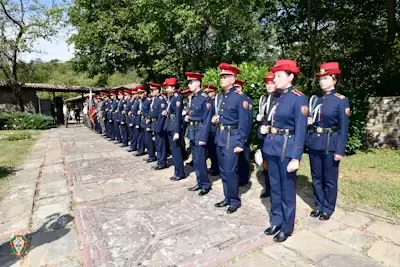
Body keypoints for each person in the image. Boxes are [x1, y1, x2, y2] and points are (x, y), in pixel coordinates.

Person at [260, 59, 308, 242]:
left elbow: (301, 130)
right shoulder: (274, 97)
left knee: (287, 190)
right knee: (275, 188)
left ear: (291, 77)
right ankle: (276, 221)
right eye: (275, 75)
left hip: (287, 150)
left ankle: (287, 227)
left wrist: (296, 158)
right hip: (271, 147)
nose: (275, 79)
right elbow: (268, 120)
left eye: (279, 76)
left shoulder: (299, 98)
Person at [306, 62, 350, 221]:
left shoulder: (341, 100)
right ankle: (318, 205)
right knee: (316, 177)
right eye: (320, 79)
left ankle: (328, 207)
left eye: (325, 78)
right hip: (315, 143)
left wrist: (340, 150)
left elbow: (344, 128)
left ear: (334, 80)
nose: (322, 81)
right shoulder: (315, 99)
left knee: (330, 179)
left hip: (331, 143)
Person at [212, 63, 249, 214]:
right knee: (223, 171)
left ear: (233, 79)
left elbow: (244, 122)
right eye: (221, 76)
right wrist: (217, 119)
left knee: (230, 171)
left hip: (232, 139)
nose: (222, 79)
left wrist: (240, 142)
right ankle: (227, 197)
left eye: (225, 76)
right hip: (221, 137)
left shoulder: (240, 98)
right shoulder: (222, 97)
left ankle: (234, 200)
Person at [184, 72, 212, 196]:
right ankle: (199, 182)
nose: (189, 85)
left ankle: (205, 184)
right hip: (192, 130)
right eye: (188, 82)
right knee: (195, 159)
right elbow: (193, 113)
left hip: (200, 131)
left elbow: (207, 119)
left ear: (198, 82)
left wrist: (203, 137)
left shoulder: (205, 98)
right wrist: (188, 117)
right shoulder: (193, 97)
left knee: (201, 159)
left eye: (191, 82)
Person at [256, 72, 277, 198]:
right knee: (266, 164)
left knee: (273, 165)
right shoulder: (264, 98)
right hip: (263, 135)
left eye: (272, 83)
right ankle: (268, 188)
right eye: (267, 83)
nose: (269, 86)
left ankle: (274, 189)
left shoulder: (278, 99)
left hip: (273, 135)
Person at [163, 77, 186, 181]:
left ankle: (180, 173)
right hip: (170, 125)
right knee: (173, 151)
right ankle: (177, 171)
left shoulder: (177, 98)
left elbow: (177, 115)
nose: (166, 89)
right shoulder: (171, 97)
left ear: (172, 87)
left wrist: (177, 131)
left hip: (174, 126)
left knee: (176, 152)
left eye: (167, 87)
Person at [234, 79, 253, 187]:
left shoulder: (246, 100)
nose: (236, 89)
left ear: (241, 88)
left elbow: (248, 119)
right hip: (235, 133)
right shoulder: (235, 99)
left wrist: (245, 135)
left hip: (243, 133)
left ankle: (243, 178)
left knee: (244, 157)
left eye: (237, 87)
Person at [148, 82, 168, 170]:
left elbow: (161, 115)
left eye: (152, 90)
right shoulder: (155, 99)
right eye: (150, 90)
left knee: (161, 144)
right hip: (155, 124)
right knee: (158, 144)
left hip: (159, 125)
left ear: (157, 90)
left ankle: (162, 162)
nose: (151, 92)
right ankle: (159, 161)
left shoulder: (160, 100)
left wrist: (159, 126)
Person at [204, 84, 220, 176]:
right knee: (210, 149)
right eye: (206, 92)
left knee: (214, 150)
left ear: (213, 92)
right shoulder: (208, 101)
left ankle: (215, 168)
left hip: (214, 128)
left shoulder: (215, 102)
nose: (207, 94)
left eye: (209, 92)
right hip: (209, 128)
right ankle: (214, 166)